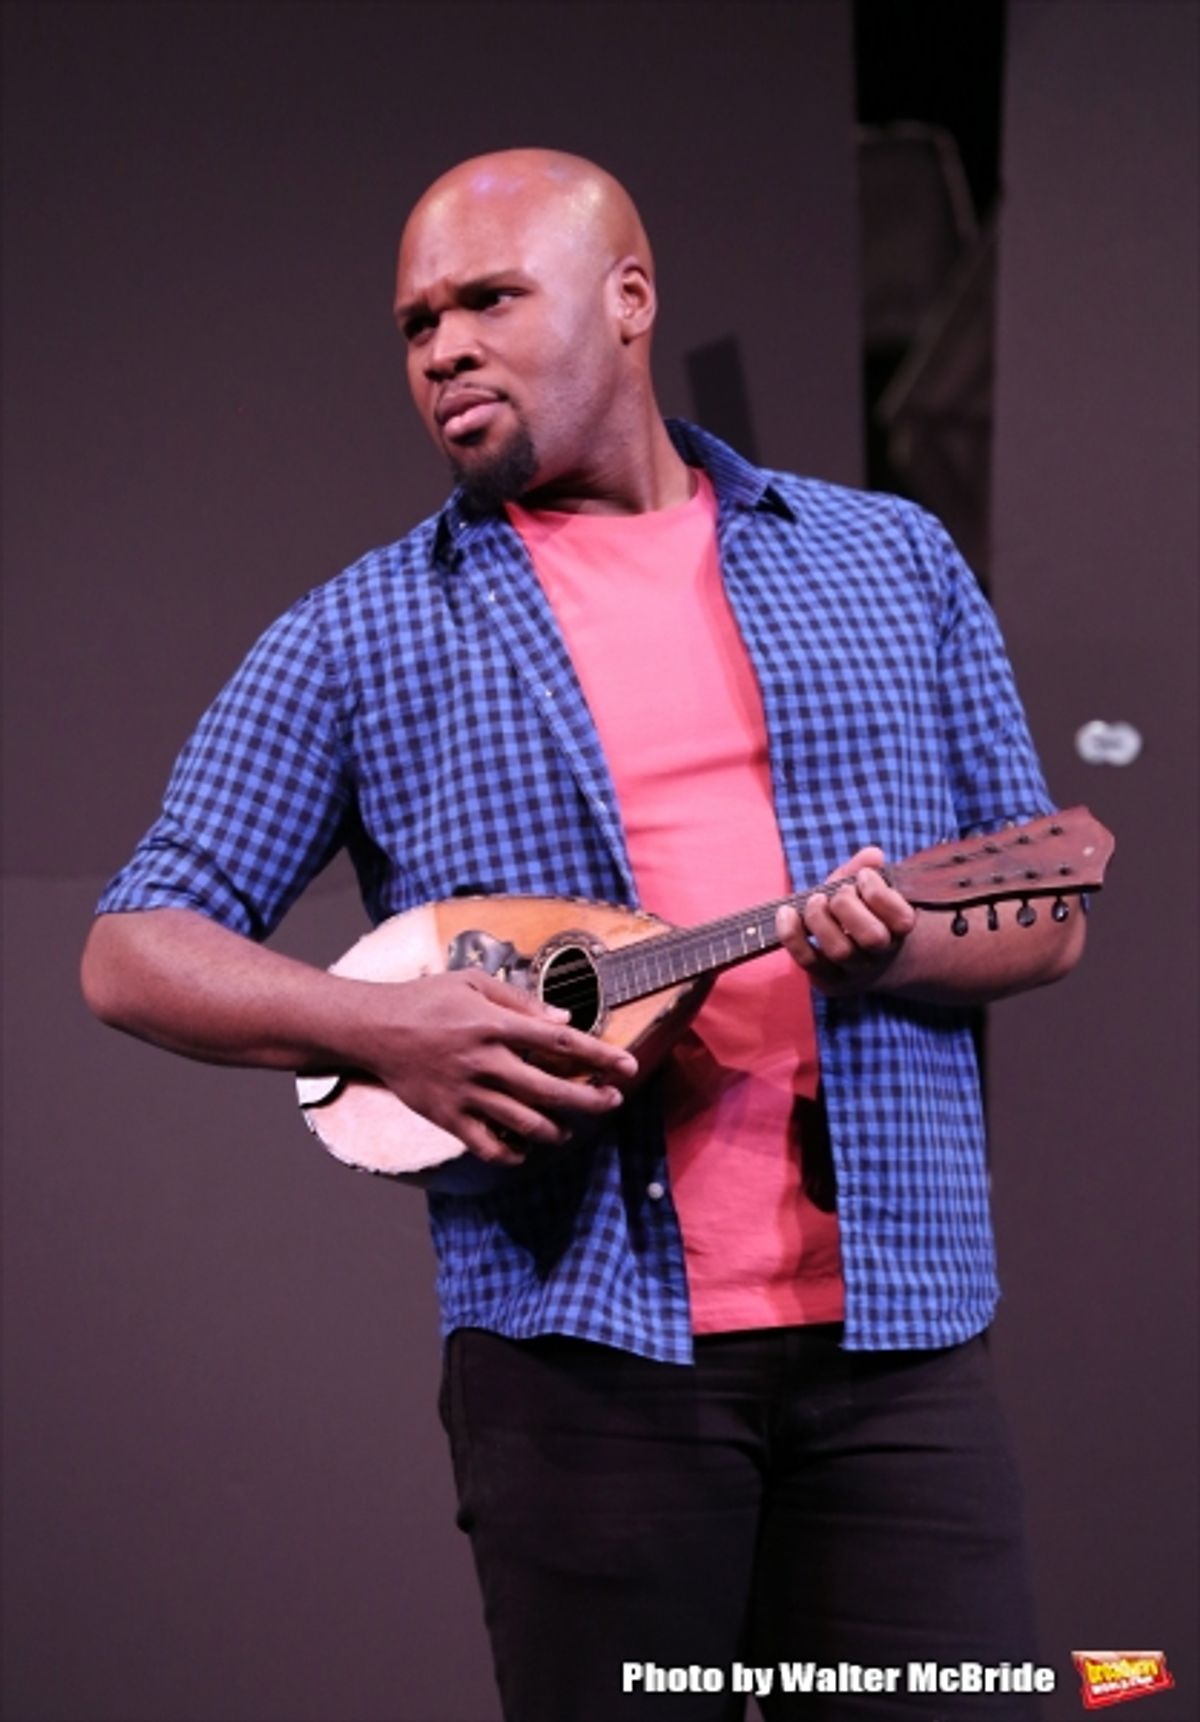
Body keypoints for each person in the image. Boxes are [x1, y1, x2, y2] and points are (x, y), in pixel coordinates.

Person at [81, 149, 1086, 1721]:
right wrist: (382, 1026)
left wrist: (887, 946)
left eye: (489, 297)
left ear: (630, 302)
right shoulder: (362, 631)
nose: (443, 347)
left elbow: (1046, 912)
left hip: (898, 1336)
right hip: (582, 1358)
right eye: (417, 322)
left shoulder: (890, 561)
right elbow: (133, 941)